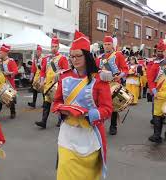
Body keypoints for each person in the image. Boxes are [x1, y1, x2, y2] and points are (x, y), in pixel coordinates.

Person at [53, 30, 113, 180]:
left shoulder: (99, 79)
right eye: (72, 56)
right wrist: (62, 110)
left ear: (87, 55)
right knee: (64, 170)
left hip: (90, 135)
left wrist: (88, 114)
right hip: (67, 133)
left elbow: (107, 109)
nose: (74, 59)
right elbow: (57, 101)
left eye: (78, 55)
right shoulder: (64, 77)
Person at [95, 36, 128, 135]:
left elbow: (125, 69)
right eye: (105, 44)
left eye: (108, 44)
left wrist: (120, 76)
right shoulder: (99, 58)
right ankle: (99, 124)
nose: (107, 46)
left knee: (113, 106)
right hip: (102, 85)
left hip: (114, 84)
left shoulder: (118, 55)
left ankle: (113, 126)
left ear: (112, 45)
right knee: (99, 105)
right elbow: (95, 72)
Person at [34, 36, 69, 129]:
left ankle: (61, 120)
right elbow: (42, 71)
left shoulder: (62, 58)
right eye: (52, 46)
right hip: (47, 85)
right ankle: (43, 121)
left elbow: (66, 71)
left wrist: (60, 72)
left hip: (58, 85)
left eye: (55, 46)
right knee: (46, 104)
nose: (53, 48)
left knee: (59, 103)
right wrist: (41, 81)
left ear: (58, 47)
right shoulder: (46, 59)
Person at [0, 44, 18, 121]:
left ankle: (13, 112)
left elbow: (15, 71)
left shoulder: (11, 61)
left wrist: (9, 73)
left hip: (8, 83)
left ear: (5, 53)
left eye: (1, 53)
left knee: (10, 100)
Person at [147, 39, 166, 143]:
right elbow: (150, 78)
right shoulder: (156, 64)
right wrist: (154, 91)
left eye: (163, 51)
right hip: (159, 94)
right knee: (157, 114)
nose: (162, 53)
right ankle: (157, 135)